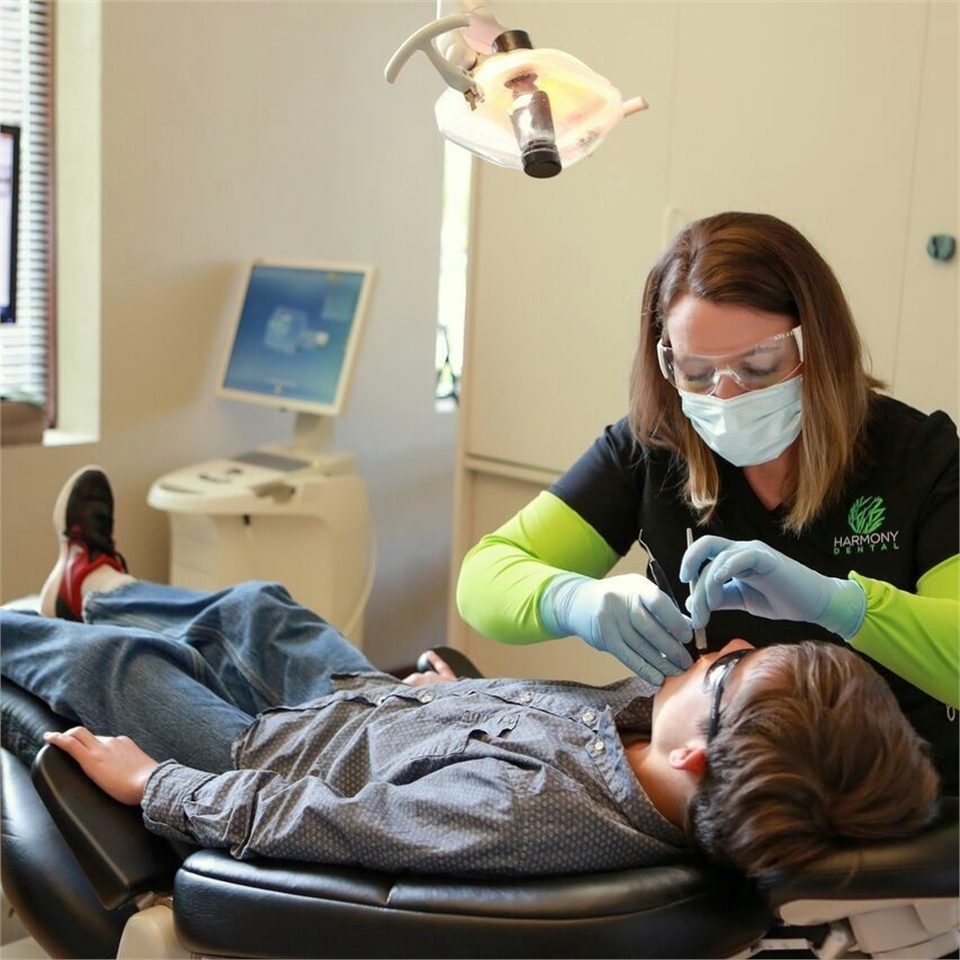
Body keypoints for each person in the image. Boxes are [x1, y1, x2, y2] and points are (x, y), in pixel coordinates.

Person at [0, 467, 941, 878]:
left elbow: (324, 824)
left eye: (734, 673)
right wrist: (458, 697)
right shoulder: (652, 740)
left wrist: (155, 780)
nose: (725, 647)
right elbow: (527, 722)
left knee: (110, 664)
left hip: (268, 762)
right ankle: (95, 581)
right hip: (380, 712)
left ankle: (80, 614)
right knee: (260, 607)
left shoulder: (523, 813)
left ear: (701, 755)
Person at [456, 211, 959, 792]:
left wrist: (840, 607)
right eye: (695, 372)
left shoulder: (920, 459)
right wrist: (574, 600)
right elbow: (482, 580)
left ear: (818, 344)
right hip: (725, 790)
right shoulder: (654, 446)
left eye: (758, 366)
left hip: (896, 787)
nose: (726, 394)